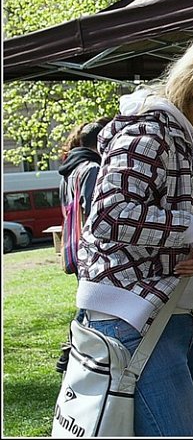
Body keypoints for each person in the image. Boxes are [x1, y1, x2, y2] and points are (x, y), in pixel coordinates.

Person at [75, 32, 193, 436]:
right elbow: (108, 215)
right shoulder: (151, 131)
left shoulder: (189, 136)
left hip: (171, 315)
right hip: (135, 319)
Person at [55, 117, 111, 373]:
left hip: (75, 246)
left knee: (90, 299)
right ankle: (72, 349)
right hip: (92, 248)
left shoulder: (68, 170)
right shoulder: (91, 169)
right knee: (93, 302)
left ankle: (74, 351)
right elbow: (96, 212)